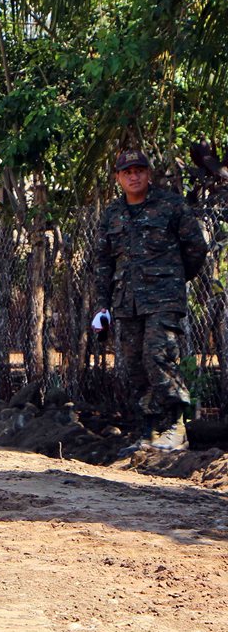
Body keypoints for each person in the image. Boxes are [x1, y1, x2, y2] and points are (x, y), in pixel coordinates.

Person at [93, 149, 207, 453]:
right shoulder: (112, 214)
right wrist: (102, 305)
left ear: (148, 173)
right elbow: (104, 261)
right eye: (127, 172)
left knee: (158, 357)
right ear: (118, 177)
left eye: (139, 170)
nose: (134, 176)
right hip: (126, 303)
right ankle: (149, 430)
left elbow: (196, 248)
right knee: (133, 366)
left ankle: (175, 426)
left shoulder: (171, 206)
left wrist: (171, 280)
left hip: (163, 299)